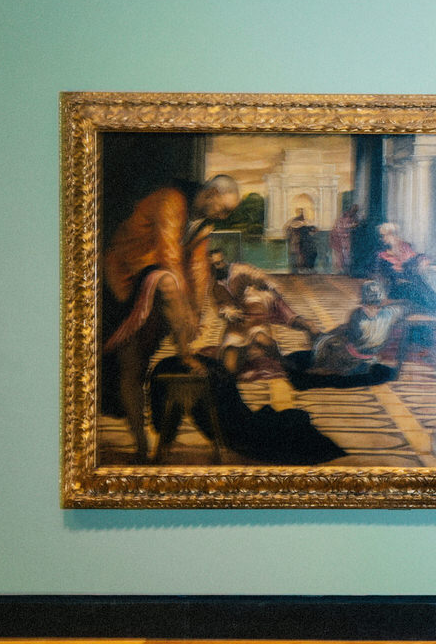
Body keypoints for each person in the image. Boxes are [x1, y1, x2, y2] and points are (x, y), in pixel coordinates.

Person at [101, 174, 240, 461]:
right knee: (168, 282)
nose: (224, 216)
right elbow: (169, 255)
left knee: (136, 363)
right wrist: (185, 313)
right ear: (212, 193)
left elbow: (200, 270)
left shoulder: (203, 225)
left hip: (153, 287)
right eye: (224, 209)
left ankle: (142, 444)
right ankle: (185, 354)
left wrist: (197, 311)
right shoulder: (171, 200)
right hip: (126, 279)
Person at [209, 248, 318, 379]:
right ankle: (248, 352)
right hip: (240, 323)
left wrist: (269, 288)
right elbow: (221, 308)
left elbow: (260, 277)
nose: (220, 266)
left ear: (225, 259)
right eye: (215, 264)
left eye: (221, 262)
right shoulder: (216, 286)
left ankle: (296, 356)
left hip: (259, 306)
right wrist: (229, 313)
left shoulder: (239, 270)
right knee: (231, 361)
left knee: (290, 322)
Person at [374, 221, 436, 312]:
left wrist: (423, 260)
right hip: (399, 286)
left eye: (385, 235)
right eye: (382, 236)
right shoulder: (383, 255)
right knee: (424, 298)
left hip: (413, 281)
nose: (383, 238)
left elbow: (417, 257)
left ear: (392, 235)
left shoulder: (405, 247)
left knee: (434, 300)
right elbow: (385, 276)